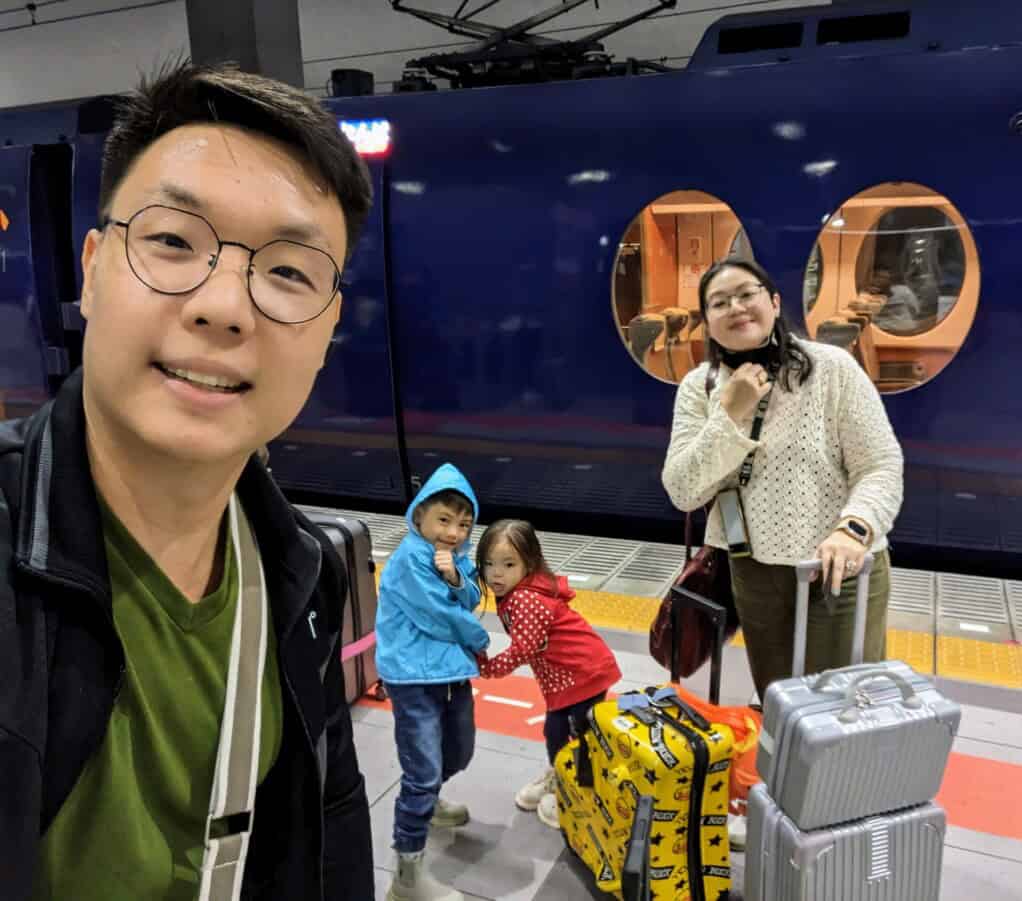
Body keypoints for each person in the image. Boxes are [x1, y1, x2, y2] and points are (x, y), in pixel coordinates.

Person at [0, 61, 374, 899]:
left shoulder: (304, 572)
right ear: (93, 268)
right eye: (172, 241)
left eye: (288, 272)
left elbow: (333, 842)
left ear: (326, 332)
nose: (225, 306)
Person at [662, 256, 903, 701]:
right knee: (779, 701)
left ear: (773, 302)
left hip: (837, 570)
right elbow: (682, 490)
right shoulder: (701, 389)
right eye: (719, 302)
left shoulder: (831, 369)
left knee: (842, 705)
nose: (735, 307)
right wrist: (730, 414)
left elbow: (880, 464)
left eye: (746, 294)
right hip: (752, 572)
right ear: (707, 322)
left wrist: (854, 529)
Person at [375, 463, 489, 901]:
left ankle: (430, 802)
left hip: (451, 673)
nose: (454, 532)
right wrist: (481, 640)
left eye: (464, 524)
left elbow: (475, 595)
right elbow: (438, 617)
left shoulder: (454, 558)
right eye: (444, 520)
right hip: (412, 677)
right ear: (419, 515)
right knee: (421, 771)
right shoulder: (407, 561)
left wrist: (457, 577)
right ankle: (406, 876)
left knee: (458, 751)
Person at [474, 520, 621, 830]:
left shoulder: (525, 599)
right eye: (489, 564)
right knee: (559, 731)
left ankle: (576, 794)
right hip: (571, 677)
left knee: (577, 736)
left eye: (508, 564)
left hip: (582, 675)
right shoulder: (520, 590)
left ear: (530, 563)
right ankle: (561, 775)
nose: (496, 573)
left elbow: (523, 649)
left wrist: (489, 667)